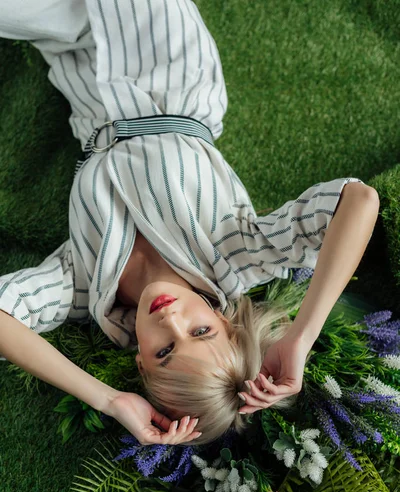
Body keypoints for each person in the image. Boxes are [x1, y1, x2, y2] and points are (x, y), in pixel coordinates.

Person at [0, 0, 380, 446]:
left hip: (77, 66)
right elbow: (357, 201)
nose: (171, 321)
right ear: (224, 320)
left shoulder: (84, 288)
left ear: (140, 362)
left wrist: (109, 400)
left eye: (164, 351)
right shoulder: (236, 255)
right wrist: (300, 337)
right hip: (163, 59)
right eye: (201, 332)